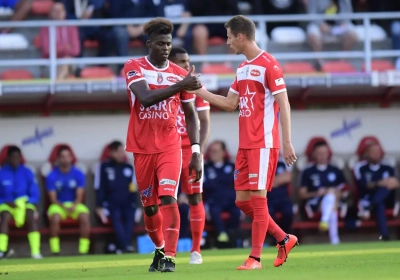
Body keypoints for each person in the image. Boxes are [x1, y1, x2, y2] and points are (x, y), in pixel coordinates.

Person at [190, 15, 298, 270]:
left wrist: (287, 142)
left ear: (241, 36)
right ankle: (283, 238)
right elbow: (230, 104)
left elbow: (284, 103)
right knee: (242, 201)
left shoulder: (269, 64)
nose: (227, 42)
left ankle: (255, 258)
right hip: (245, 144)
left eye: (229, 37)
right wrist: (197, 90)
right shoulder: (242, 68)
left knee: (259, 202)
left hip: (263, 143)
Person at [123, 18, 202, 272]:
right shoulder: (134, 67)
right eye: (160, 44)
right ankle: (158, 249)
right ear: (149, 44)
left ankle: (170, 256)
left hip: (170, 145)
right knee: (149, 208)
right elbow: (145, 99)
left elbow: (191, 115)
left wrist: (196, 150)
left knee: (169, 197)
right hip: (142, 147)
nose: (166, 48)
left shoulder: (180, 73)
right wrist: (181, 85)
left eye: (168, 44)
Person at [168, 47, 210, 264]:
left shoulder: (196, 87)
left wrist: (199, 151)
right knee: (166, 199)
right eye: (182, 61)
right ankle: (168, 250)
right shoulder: (162, 85)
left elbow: (205, 122)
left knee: (195, 197)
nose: (187, 65)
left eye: (188, 60)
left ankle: (196, 250)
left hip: (189, 150)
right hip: (167, 149)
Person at [46, 145, 91, 255]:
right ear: (58, 159)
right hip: (58, 205)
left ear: (71, 158)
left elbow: (80, 196)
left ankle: (83, 251)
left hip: (75, 204)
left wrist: (74, 205)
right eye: (62, 156)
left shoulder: (78, 173)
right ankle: (55, 251)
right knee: (55, 218)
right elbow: (53, 199)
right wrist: (64, 207)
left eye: (67, 156)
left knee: (85, 217)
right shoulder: (52, 175)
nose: (65, 159)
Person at [298, 141, 346, 245]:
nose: (323, 156)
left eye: (325, 153)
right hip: (315, 203)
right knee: (332, 203)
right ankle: (334, 239)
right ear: (314, 154)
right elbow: (301, 194)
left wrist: (333, 193)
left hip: (334, 203)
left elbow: (345, 192)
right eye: (319, 153)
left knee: (331, 197)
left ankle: (325, 221)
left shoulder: (335, 170)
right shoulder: (308, 171)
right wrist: (317, 193)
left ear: (329, 153)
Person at [95, 140, 138, 254]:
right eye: (117, 152)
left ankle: (122, 246)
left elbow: (133, 188)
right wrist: (99, 205)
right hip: (111, 204)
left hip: (127, 203)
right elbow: (99, 187)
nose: (120, 154)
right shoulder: (103, 167)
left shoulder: (128, 167)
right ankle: (125, 246)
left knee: (130, 215)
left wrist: (136, 204)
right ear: (111, 153)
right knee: (116, 215)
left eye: (122, 151)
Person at [0, 146, 41, 259]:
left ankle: (35, 252)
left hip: (24, 203)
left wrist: (26, 201)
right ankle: (1, 250)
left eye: (18, 157)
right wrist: (5, 202)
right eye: (13, 157)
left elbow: (35, 194)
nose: (15, 160)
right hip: (6, 204)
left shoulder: (27, 172)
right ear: (8, 158)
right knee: (5, 217)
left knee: (30, 215)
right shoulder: (2, 173)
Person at [354, 142, 400, 240]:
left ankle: (370, 206)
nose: (376, 154)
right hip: (369, 198)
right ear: (366, 154)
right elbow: (364, 185)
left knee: (387, 188)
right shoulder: (361, 167)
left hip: (388, 199)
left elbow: (396, 183)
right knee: (379, 204)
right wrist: (380, 183)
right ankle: (386, 236)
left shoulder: (387, 166)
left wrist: (389, 183)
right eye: (373, 152)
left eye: (378, 151)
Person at [203, 141, 240, 244]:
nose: (213, 154)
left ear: (223, 152)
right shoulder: (205, 168)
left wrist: (217, 182)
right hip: (214, 200)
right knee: (214, 211)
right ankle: (221, 235)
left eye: (215, 151)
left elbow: (237, 182)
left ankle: (232, 235)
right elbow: (206, 185)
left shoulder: (232, 166)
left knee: (237, 211)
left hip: (231, 199)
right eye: (211, 151)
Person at [38, 1, 80, 80]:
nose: (58, 13)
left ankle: (55, 86)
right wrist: (65, 47)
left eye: (60, 10)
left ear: (65, 12)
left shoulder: (71, 27)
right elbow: (47, 51)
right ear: (50, 13)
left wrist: (57, 49)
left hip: (69, 62)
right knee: (66, 75)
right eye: (55, 11)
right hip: (49, 63)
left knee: (66, 61)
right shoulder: (45, 29)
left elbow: (76, 50)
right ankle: (58, 83)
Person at [268, 157, 293, 238]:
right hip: (267, 198)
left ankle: (283, 237)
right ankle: (274, 239)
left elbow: (287, 177)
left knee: (288, 212)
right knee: (267, 214)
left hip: (282, 198)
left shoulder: (284, 161)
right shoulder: (262, 161)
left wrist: (270, 181)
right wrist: (278, 180)